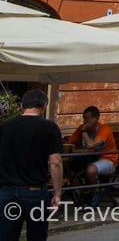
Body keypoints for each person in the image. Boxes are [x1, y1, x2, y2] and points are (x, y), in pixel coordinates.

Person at [0, 89, 63, 241]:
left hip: (7, 192)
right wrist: (57, 193)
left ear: (22, 105)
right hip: (35, 192)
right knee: (37, 236)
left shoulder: (4, 127)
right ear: (44, 106)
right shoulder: (49, 128)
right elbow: (55, 162)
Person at [68, 105, 119, 207]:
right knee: (70, 168)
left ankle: (93, 191)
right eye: (83, 118)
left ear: (96, 118)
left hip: (109, 160)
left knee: (91, 170)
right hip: (91, 158)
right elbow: (70, 143)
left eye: (87, 118)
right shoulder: (81, 128)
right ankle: (82, 191)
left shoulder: (104, 129)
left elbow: (91, 145)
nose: (84, 121)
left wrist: (83, 131)